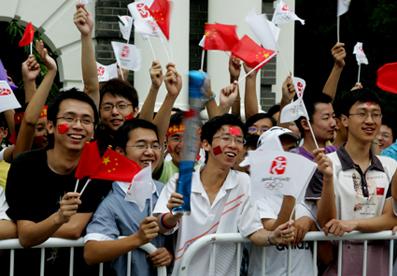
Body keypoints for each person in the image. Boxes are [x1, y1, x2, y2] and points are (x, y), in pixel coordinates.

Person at [154, 114, 295, 275]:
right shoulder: (180, 181)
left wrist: (272, 237)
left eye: (239, 141)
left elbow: (253, 231)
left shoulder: (244, 183)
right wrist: (172, 217)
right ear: (206, 144)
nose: (233, 146)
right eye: (226, 138)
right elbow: (160, 225)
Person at [5, 89, 111, 275]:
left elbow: (73, 230)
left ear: (93, 130)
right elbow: (27, 236)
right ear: (51, 126)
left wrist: (28, 227)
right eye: (69, 118)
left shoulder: (98, 171)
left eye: (86, 120)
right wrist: (58, 217)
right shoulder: (25, 165)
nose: (78, 126)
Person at [308, 88, 397, 276]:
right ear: (344, 120)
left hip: (380, 263)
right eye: (362, 114)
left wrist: (352, 224)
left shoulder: (391, 167)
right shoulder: (325, 164)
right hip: (338, 264)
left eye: (376, 115)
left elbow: (391, 218)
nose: (370, 121)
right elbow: (327, 221)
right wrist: (328, 178)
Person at [84, 119, 173, 276]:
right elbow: (91, 253)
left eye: (155, 145)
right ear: (120, 152)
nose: (150, 152)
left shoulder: (165, 190)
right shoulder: (109, 201)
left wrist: (168, 255)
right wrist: (137, 239)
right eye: (141, 145)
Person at [248, 127, 325, 276]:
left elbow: (324, 235)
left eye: (292, 150)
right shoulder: (254, 191)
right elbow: (274, 229)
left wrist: (309, 223)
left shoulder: (307, 185)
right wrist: (290, 192)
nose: (289, 157)